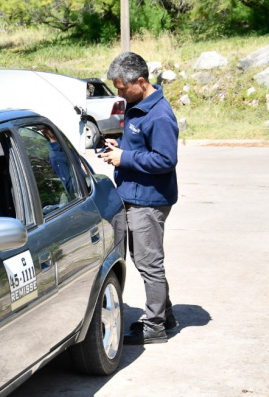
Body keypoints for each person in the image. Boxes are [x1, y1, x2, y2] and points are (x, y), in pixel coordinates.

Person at [98, 52, 179, 345]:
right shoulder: (137, 105)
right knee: (146, 259)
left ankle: (154, 327)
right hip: (134, 194)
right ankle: (165, 315)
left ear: (141, 82)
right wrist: (119, 147)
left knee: (149, 264)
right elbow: (141, 145)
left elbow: (166, 159)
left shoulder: (159, 115)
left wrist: (125, 158)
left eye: (121, 88)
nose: (119, 93)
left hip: (149, 200)